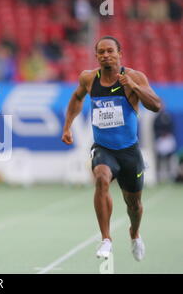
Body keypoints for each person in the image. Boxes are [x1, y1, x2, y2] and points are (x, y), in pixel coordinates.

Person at [61, 36, 161, 261]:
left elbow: (155, 105)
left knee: (133, 204)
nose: (106, 55)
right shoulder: (88, 78)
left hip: (129, 151)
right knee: (101, 178)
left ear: (119, 53)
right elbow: (76, 98)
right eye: (101, 52)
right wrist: (67, 126)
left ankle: (134, 234)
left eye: (110, 51)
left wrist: (134, 87)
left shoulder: (134, 77)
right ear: (96, 56)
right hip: (103, 148)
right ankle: (106, 239)